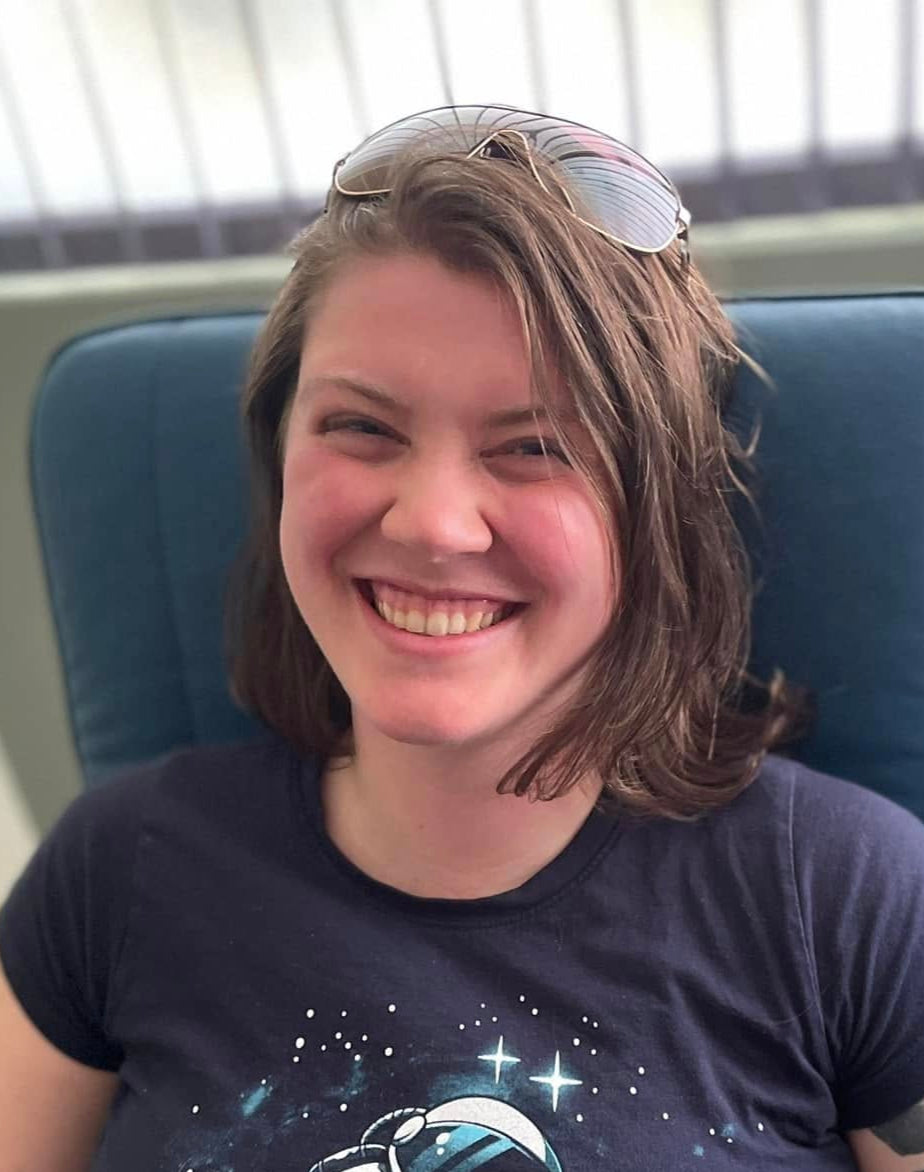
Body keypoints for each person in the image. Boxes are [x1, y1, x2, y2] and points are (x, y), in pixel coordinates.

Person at [1, 104, 922, 1172]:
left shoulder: (852, 903)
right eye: (362, 426)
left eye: (536, 446)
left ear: (657, 510)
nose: (434, 524)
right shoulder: (113, 872)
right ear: (280, 454)